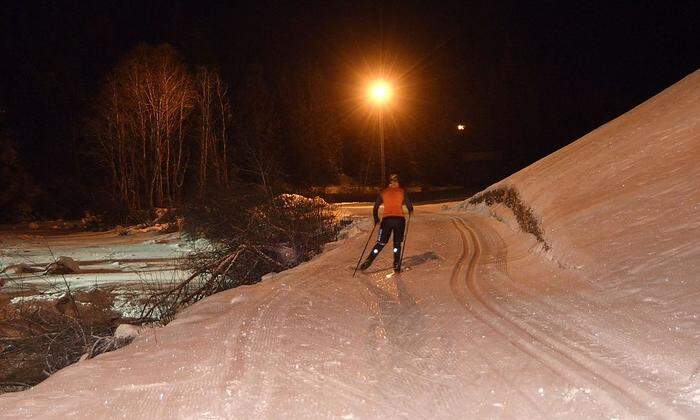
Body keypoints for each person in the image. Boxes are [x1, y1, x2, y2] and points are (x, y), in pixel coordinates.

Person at [360, 174, 414, 272]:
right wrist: (410, 210)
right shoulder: (402, 192)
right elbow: (409, 205)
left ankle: (369, 260)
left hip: (387, 220)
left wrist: (376, 219)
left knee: (381, 243)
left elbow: (375, 207)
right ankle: (396, 264)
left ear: (389, 182)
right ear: (398, 182)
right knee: (397, 243)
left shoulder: (383, 192)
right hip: (399, 220)